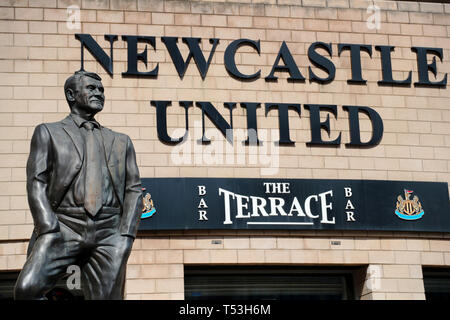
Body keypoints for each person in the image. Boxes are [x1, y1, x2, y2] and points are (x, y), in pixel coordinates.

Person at [14, 70, 143, 300]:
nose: (99, 93)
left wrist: (126, 235)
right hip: (64, 225)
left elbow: (133, 190)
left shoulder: (121, 141)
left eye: (101, 90)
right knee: (27, 290)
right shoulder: (48, 132)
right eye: (91, 88)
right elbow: (36, 181)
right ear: (71, 95)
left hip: (109, 231)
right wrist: (48, 227)